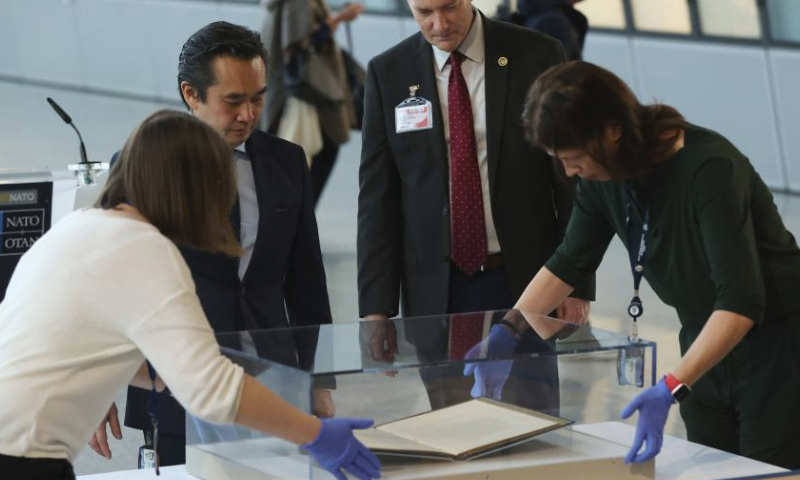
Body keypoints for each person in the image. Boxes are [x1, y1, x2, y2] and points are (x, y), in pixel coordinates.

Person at [0, 111, 381, 480]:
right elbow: (212, 390)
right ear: (190, 190)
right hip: (21, 457)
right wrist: (315, 434)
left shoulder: (82, 227)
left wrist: (184, 375)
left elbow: (98, 350)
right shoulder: (143, 248)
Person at [496, 60, 800, 469]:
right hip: (702, 340)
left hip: (777, 346)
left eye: (575, 157)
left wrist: (670, 385)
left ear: (613, 129)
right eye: (559, 159)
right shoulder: (602, 176)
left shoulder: (709, 168)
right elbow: (570, 260)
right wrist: (509, 331)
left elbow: (741, 300)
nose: (570, 171)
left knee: (770, 472)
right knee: (712, 468)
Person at [116, 21, 335, 466]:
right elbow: (116, 288)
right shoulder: (144, 166)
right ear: (191, 94)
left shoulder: (287, 162)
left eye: (258, 97)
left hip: (273, 381)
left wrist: (321, 380)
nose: (248, 114)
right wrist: (98, 382)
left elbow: (307, 283)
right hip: (176, 384)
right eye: (233, 101)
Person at [357, 0, 594, 410]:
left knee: (533, 423)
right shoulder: (388, 72)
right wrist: (376, 309)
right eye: (424, 12)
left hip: (525, 281)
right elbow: (378, 198)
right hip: (436, 290)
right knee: (454, 427)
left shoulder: (537, 53)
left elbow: (570, 182)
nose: (439, 24)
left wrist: (574, 282)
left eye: (449, 7)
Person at [261, 0, 364, 205]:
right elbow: (302, 44)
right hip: (311, 97)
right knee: (308, 174)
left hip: (296, 96)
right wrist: (340, 18)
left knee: (295, 176)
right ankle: (297, 221)